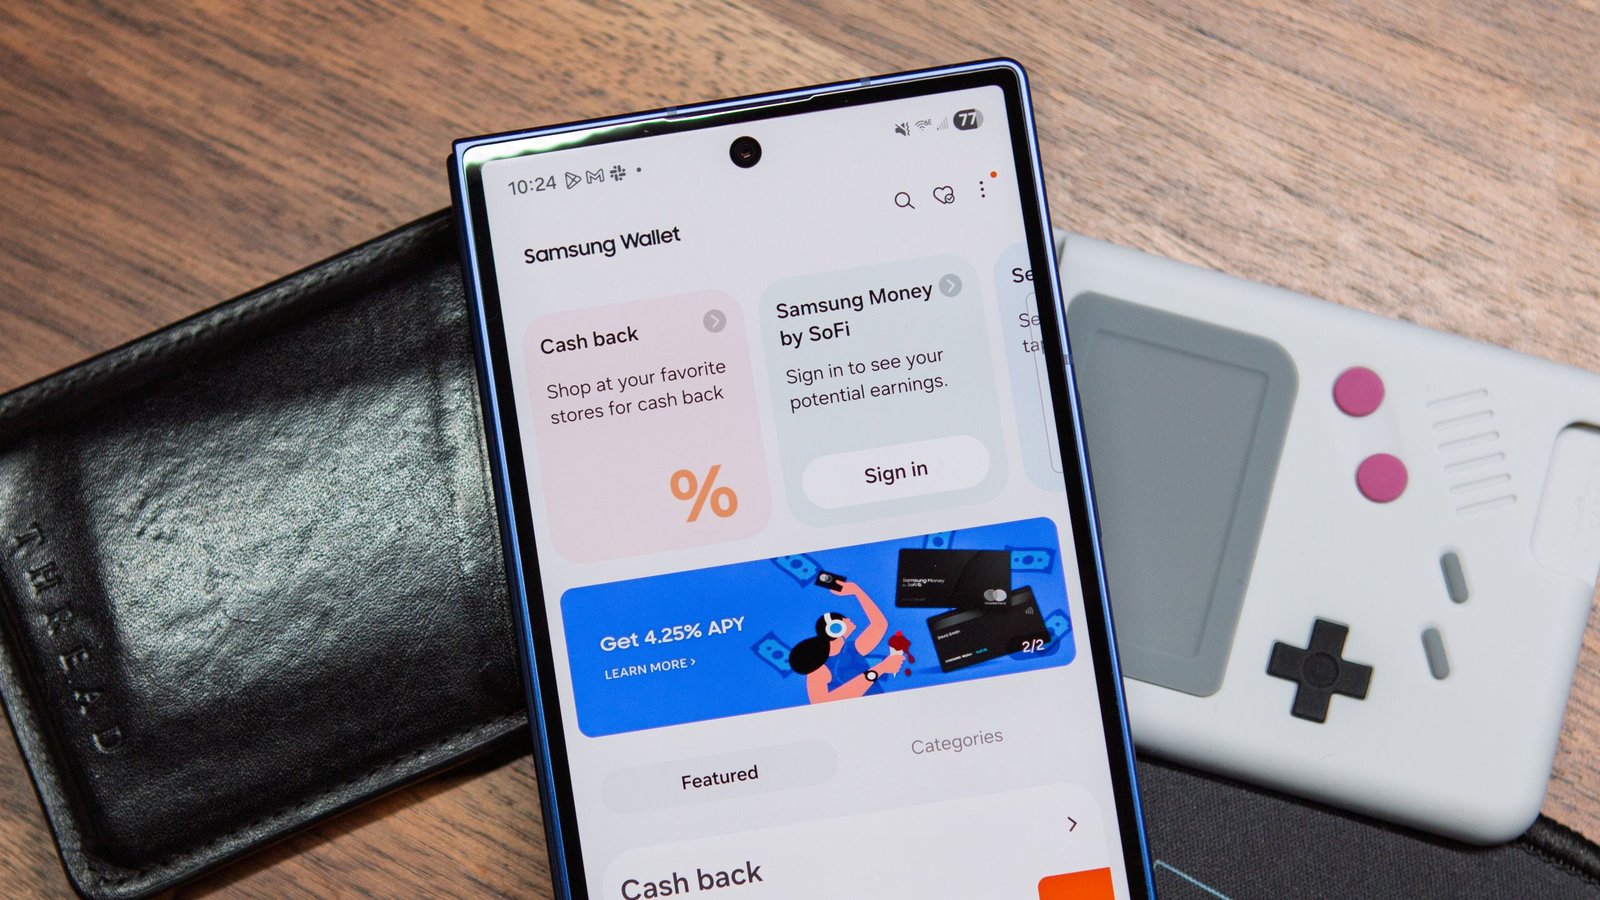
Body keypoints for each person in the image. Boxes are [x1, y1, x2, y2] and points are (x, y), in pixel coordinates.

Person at [787, 580, 904, 703]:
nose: (848, 619)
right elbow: (819, 702)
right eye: (843, 618)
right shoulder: (818, 668)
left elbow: (879, 624)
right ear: (835, 628)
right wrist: (880, 669)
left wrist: (857, 591)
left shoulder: (853, 648)